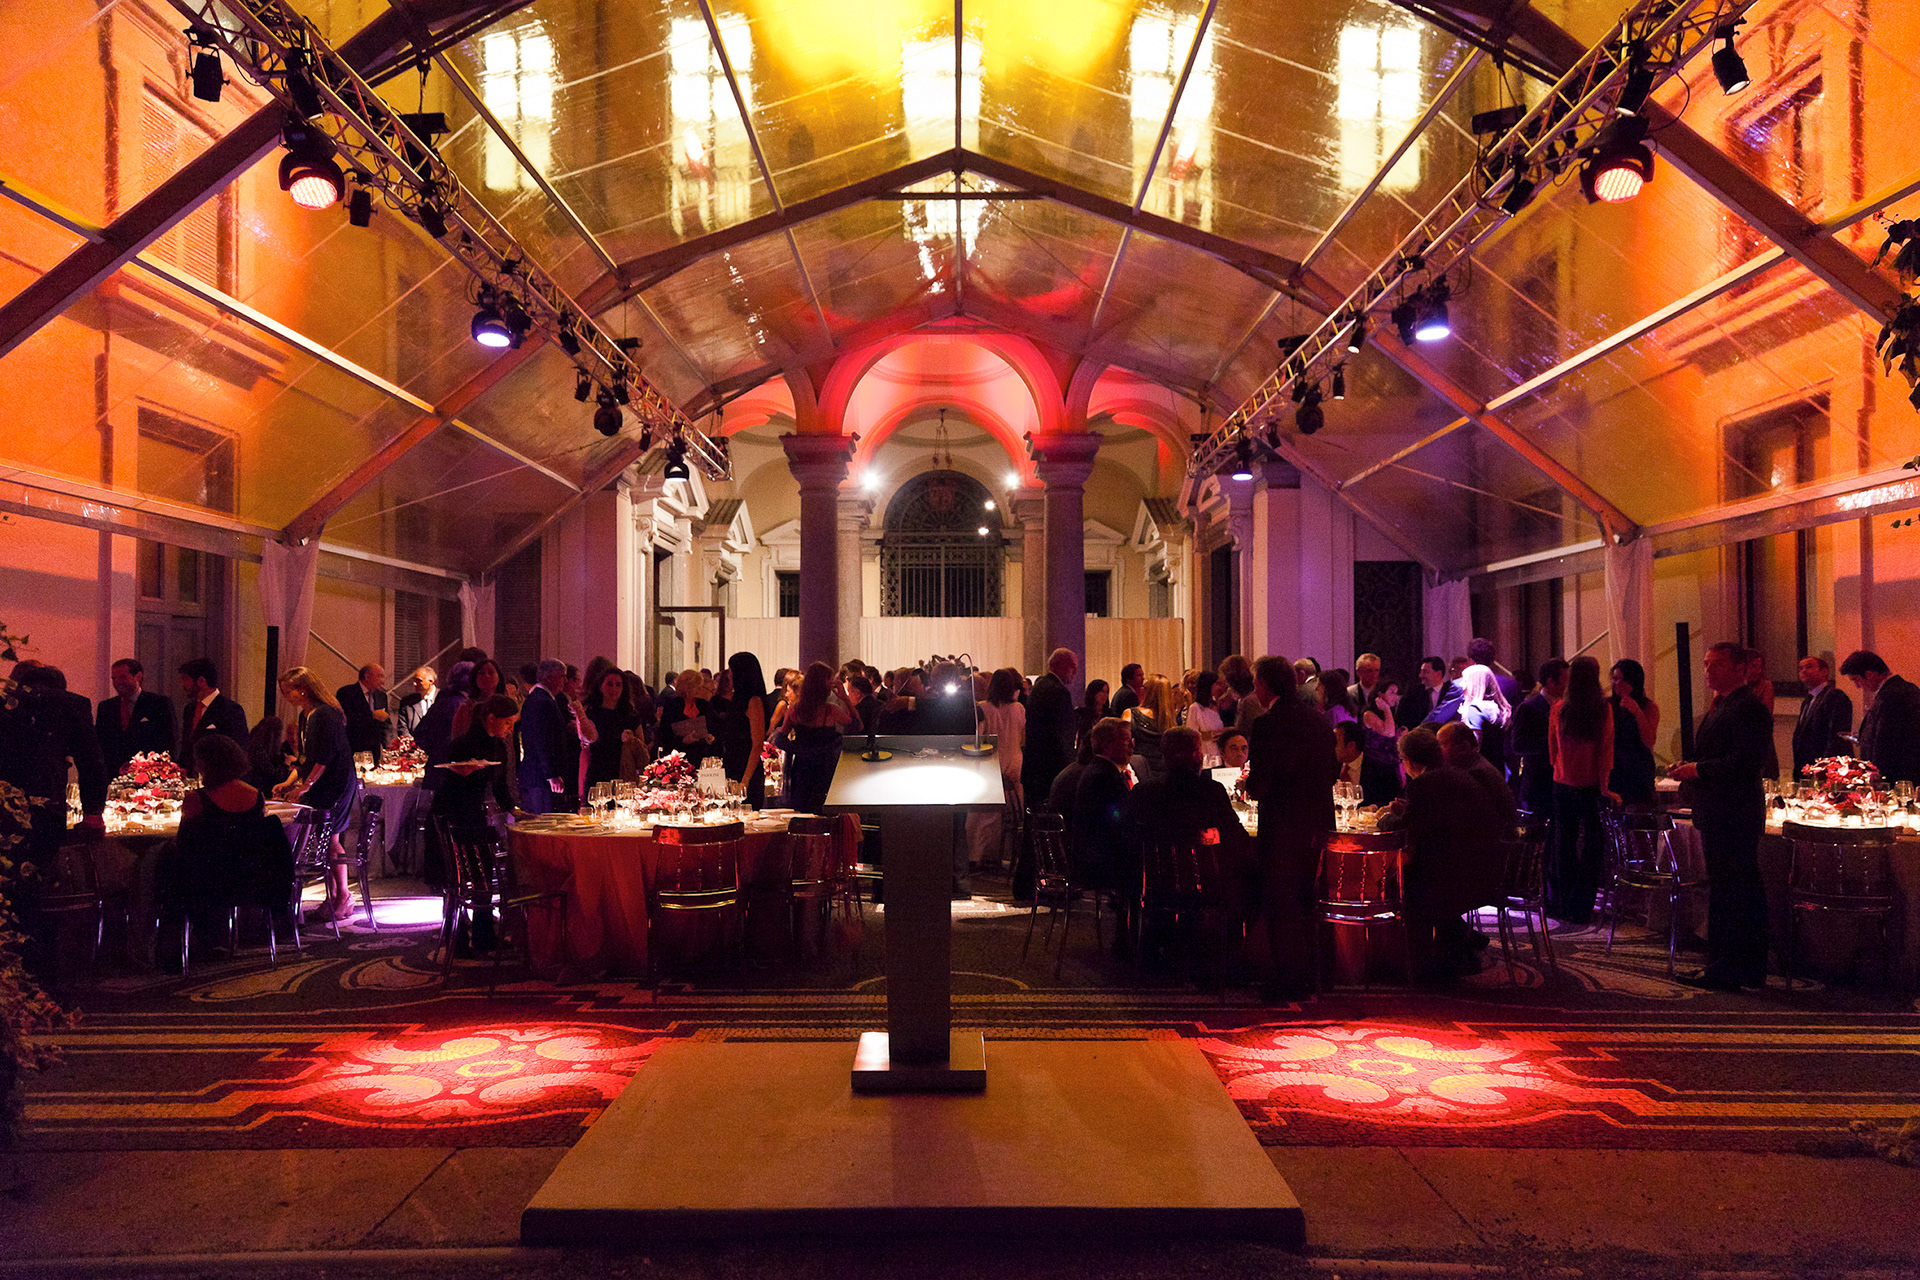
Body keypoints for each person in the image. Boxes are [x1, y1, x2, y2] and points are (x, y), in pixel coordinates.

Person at [1668, 642, 1774, 990]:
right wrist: (1690, 766)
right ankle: (1731, 965)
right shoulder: (1723, 705)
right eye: (1706, 664)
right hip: (1719, 810)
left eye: (1717, 664)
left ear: (1740, 668)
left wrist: (1697, 769)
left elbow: (1744, 763)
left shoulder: (1749, 707)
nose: (1708, 671)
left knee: (1737, 889)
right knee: (1728, 887)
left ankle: (1734, 966)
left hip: (1734, 812)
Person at [1376, 727, 1504, 983]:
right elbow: (1433, 822)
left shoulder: (1424, 784)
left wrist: (1384, 818)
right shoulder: (1456, 776)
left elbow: (1406, 832)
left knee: (1390, 881)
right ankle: (1457, 943)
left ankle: (1409, 961)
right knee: (1412, 872)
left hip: (1453, 877)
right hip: (1483, 868)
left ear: (1410, 761)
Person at [1243, 654, 1337, 1001]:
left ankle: (1288, 979)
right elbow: (1330, 773)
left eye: (1256, 682)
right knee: (1313, 901)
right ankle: (1322, 974)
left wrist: (1248, 785)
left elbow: (1261, 784)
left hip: (1283, 827)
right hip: (1319, 824)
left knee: (1282, 904)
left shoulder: (1267, 724)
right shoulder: (1319, 722)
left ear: (1264, 685)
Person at [1126, 726, 1253, 974]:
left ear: (1164, 755)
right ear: (1197, 755)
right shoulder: (1211, 791)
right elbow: (1236, 837)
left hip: (1155, 883)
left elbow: (1130, 837)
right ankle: (1233, 957)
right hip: (1207, 884)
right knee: (1250, 879)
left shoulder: (1144, 791)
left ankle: (1154, 947)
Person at [160, 734, 295, 965]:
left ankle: (169, 943)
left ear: (205, 764)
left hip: (209, 884)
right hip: (253, 880)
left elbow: (185, 845)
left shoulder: (196, 799)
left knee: (163, 865)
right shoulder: (255, 795)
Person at [430, 694, 522, 942]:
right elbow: (444, 779)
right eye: (507, 723)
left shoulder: (499, 746)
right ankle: (458, 934)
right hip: (453, 811)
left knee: (483, 873)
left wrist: (515, 810)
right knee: (461, 875)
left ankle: (483, 934)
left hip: (474, 813)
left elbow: (500, 787)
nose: (510, 728)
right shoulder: (463, 743)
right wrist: (463, 774)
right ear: (491, 719)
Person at [273, 666, 359, 923]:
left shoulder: (324, 714)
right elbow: (305, 758)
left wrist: (306, 785)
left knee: (331, 838)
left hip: (335, 782)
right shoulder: (306, 715)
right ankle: (332, 896)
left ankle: (343, 896)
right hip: (321, 781)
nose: (286, 697)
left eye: (288, 691)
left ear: (303, 689)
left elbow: (324, 756)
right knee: (325, 838)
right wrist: (289, 782)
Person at [1547, 655, 1614, 926]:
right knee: (1592, 846)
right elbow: (1606, 749)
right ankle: (1582, 906)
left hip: (1563, 782)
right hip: (1592, 784)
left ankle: (1561, 903)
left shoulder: (1559, 708)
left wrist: (1561, 769)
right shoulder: (1603, 709)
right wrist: (1604, 785)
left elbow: (1552, 748)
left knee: (1563, 843)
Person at [1072, 716, 1137, 939]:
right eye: (1126, 741)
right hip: (1099, 862)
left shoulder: (1100, 770)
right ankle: (1131, 937)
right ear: (1108, 745)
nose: (1132, 746)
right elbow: (1119, 823)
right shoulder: (1105, 777)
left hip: (1095, 855)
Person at [966, 668, 1027, 872]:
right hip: (1014, 763)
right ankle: (1006, 855)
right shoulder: (1019, 708)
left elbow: (979, 738)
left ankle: (976, 855)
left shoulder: (983, 708)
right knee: (1011, 812)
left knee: (982, 814)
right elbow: (1022, 737)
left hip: (992, 763)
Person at [776, 662, 852, 815]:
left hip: (801, 768)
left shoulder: (795, 710)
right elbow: (856, 725)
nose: (832, 683)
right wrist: (845, 698)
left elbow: (780, 739)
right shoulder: (830, 710)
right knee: (824, 812)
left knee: (802, 812)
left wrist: (799, 750)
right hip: (825, 768)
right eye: (830, 680)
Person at [1839, 650, 1920, 786]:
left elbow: (1886, 741)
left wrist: (1875, 775)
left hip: (1898, 775)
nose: (1857, 686)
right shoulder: (1901, 689)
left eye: (1856, 680)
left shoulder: (1891, 695)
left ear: (1870, 674)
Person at [1021, 648, 1079, 814]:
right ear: (1059, 664)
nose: (1075, 672)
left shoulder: (1039, 686)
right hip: (1050, 768)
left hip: (1034, 764)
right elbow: (1063, 735)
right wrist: (1070, 765)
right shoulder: (1059, 692)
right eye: (1072, 666)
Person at [96, 657, 176, 778]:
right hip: (113, 776)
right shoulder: (106, 707)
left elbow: (170, 741)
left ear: (138, 676)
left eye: (123, 677)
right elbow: (100, 743)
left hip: (149, 776)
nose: (117, 682)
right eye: (114, 678)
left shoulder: (159, 703)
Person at [1511, 659, 1569, 818]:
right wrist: (1553, 742)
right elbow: (1518, 745)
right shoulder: (1529, 708)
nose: (1569, 684)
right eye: (1565, 679)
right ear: (1551, 681)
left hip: (1561, 782)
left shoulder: (1567, 707)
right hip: (1539, 784)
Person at [1439, 721, 1519, 836]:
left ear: (1464, 747)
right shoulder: (1476, 765)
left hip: (1495, 841)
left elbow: (1467, 823)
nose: (1438, 751)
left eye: (1442, 744)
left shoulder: (1475, 775)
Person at [718, 652, 775, 807]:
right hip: (732, 765)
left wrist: (745, 781)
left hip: (746, 768)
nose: (729, 675)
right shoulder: (736, 700)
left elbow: (757, 744)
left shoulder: (753, 701)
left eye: (731, 671)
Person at [516, 659, 572, 816]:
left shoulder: (537, 698)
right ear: (549, 676)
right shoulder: (543, 701)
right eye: (562, 676)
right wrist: (551, 774)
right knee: (541, 821)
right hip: (540, 777)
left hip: (535, 774)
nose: (565, 681)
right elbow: (542, 741)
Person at [175, 658, 248, 771]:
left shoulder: (231, 709)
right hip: (191, 775)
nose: (183, 685)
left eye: (186, 679)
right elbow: (186, 746)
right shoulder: (189, 709)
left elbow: (238, 750)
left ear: (201, 681)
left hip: (216, 775)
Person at [1608, 659, 1661, 807]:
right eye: (1615, 679)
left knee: (1639, 811)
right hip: (1614, 769)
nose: (1618, 683)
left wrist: (1637, 711)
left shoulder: (1648, 707)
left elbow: (1649, 740)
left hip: (1639, 771)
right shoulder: (1607, 705)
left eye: (1623, 680)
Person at [1791, 654, 1853, 779]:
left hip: (1825, 767)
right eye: (1801, 668)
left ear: (1824, 671)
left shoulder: (1835, 696)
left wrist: (1825, 767)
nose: (1804, 671)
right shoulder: (1808, 700)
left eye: (1809, 667)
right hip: (1806, 765)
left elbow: (1837, 736)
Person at [583, 666, 641, 793]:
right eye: (609, 684)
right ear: (601, 686)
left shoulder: (630, 714)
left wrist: (631, 739)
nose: (614, 689)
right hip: (597, 770)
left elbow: (642, 745)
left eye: (618, 685)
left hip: (623, 772)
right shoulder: (591, 712)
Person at [1455, 663, 1512, 775]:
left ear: (1475, 684)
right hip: (1497, 769)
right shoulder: (1498, 708)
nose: (1461, 685)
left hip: (1478, 772)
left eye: (1465, 680)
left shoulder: (1475, 710)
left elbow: (1473, 748)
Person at [1125, 674, 1178, 782]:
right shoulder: (1170, 720)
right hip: (1166, 773)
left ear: (1148, 692)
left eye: (1144, 688)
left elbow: (1122, 743)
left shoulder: (1130, 714)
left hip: (1140, 771)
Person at [1334, 719, 1400, 807]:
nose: (1331, 747)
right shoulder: (1330, 768)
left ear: (1351, 746)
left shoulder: (1381, 769)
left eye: (1335, 743)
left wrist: (1372, 808)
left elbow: (1389, 802)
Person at [659, 668, 718, 764]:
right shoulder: (672, 705)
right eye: (697, 687)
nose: (699, 690)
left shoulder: (703, 704)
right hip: (679, 755)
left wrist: (710, 737)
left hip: (701, 754)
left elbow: (713, 726)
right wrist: (683, 740)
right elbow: (664, 734)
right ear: (688, 687)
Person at [336, 663, 392, 759]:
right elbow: (346, 719)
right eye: (379, 676)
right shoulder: (346, 692)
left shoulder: (382, 696)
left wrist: (388, 745)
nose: (382, 681)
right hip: (353, 749)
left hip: (374, 751)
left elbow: (386, 724)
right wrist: (371, 715)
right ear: (367, 677)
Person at [1745, 649, 1779, 781]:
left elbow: (1766, 716)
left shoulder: (1765, 685)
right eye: (1753, 666)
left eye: (1760, 667)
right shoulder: (1729, 686)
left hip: (1759, 741)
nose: (1758, 671)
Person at [245, 716, 293, 795]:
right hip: (260, 792)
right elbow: (273, 776)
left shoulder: (253, 747)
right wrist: (287, 764)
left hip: (254, 790)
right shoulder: (259, 751)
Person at [1397, 656, 1449, 730]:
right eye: (1421, 671)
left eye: (1425, 672)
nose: (1420, 675)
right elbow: (1401, 717)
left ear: (1438, 674)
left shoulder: (1451, 693)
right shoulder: (1412, 693)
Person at [1184, 671, 1224, 763]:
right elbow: (1191, 737)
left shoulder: (1217, 706)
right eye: (1217, 684)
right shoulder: (1195, 708)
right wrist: (1212, 734)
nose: (1219, 687)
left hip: (1218, 755)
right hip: (1205, 756)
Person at [395, 666, 437, 738]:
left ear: (431, 681)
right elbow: (402, 728)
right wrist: (411, 742)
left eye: (419, 680)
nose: (414, 683)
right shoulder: (407, 701)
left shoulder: (443, 698)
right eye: (414, 680)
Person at [1075, 679, 1111, 758]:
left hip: (1104, 752)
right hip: (1086, 751)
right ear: (1093, 693)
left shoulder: (1109, 714)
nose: (1105, 695)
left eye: (1107, 692)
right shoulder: (1082, 713)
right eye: (1102, 691)